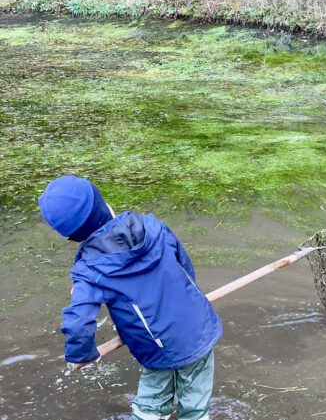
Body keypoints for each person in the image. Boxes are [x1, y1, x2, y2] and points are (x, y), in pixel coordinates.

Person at [38, 175, 222, 420]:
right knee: (196, 406)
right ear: (105, 204)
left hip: (156, 347)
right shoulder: (152, 226)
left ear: (71, 238)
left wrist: (81, 354)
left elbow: (78, 322)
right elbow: (185, 268)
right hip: (199, 327)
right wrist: (190, 300)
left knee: (151, 407)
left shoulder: (89, 271)